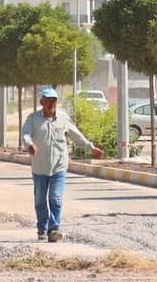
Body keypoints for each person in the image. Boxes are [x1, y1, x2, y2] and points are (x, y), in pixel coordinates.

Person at [20, 88, 101, 243]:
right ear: (41, 102)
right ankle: (42, 229)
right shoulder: (33, 118)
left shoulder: (63, 118)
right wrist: (29, 144)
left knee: (55, 199)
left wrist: (90, 148)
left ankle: (54, 229)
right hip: (40, 168)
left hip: (59, 166)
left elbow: (77, 135)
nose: (51, 103)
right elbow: (25, 134)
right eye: (48, 100)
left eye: (54, 100)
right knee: (40, 200)